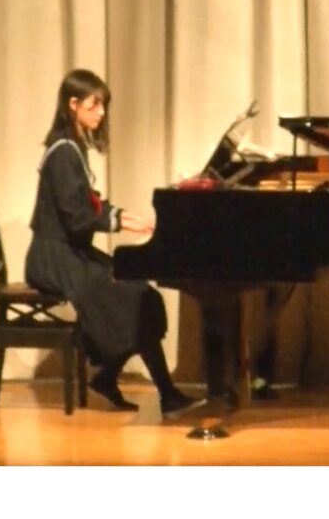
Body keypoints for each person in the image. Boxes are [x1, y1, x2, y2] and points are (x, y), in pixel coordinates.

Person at [25, 69, 199, 416]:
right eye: (94, 105)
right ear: (73, 104)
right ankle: (162, 392)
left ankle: (114, 379)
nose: (102, 112)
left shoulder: (73, 148)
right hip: (53, 260)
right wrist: (122, 223)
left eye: (103, 105)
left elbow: (89, 205)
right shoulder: (63, 153)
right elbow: (77, 217)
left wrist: (133, 219)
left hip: (69, 253)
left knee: (141, 294)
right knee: (133, 295)